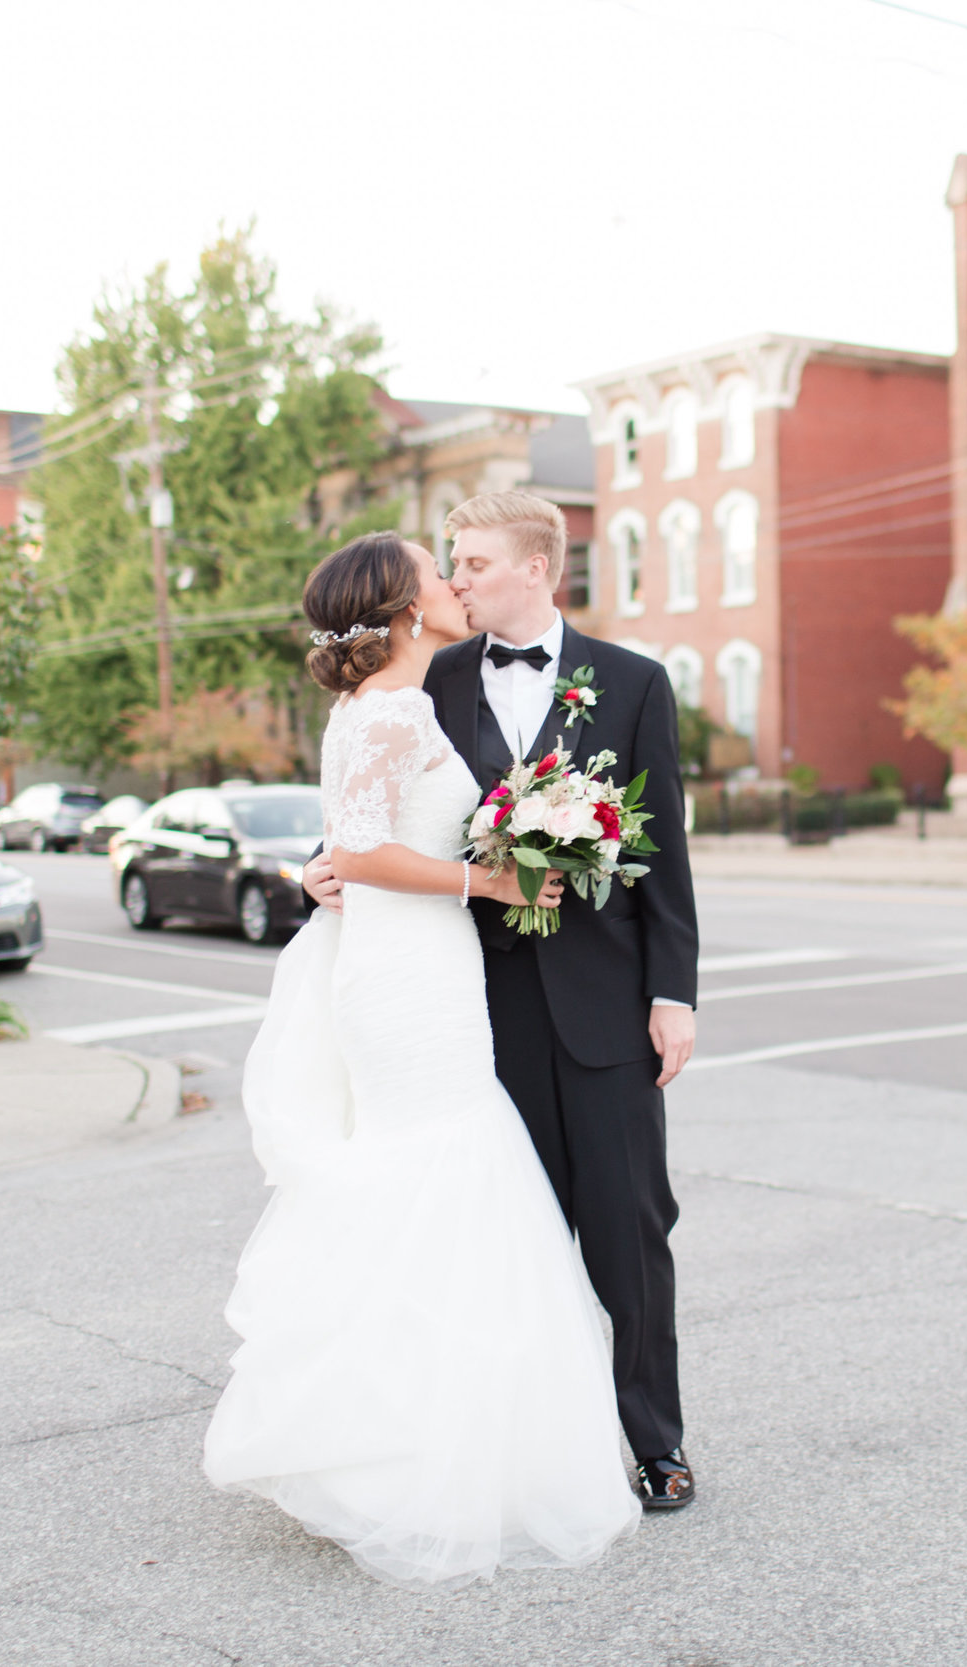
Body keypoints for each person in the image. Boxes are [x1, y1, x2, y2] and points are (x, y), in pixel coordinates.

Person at [201, 531, 640, 1589]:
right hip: (407, 971)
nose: (453, 582)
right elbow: (357, 849)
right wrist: (490, 883)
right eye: (434, 572)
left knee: (427, 1177)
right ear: (404, 607)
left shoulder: (378, 705)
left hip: (406, 963)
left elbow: (348, 841)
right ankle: (415, 1457)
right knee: (437, 1174)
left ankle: (400, 1432)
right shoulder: (393, 710)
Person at [304, 491, 702, 1512]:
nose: (459, 575)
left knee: (631, 1233)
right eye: (451, 562)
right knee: (507, 1234)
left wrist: (672, 991)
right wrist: (317, 867)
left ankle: (656, 1444)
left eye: (475, 560)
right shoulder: (419, 675)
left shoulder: (632, 681)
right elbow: (372, 813)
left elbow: (663, 856)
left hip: (609, 1004)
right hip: (472, 1004)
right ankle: (529, 1445)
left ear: (538, 568)